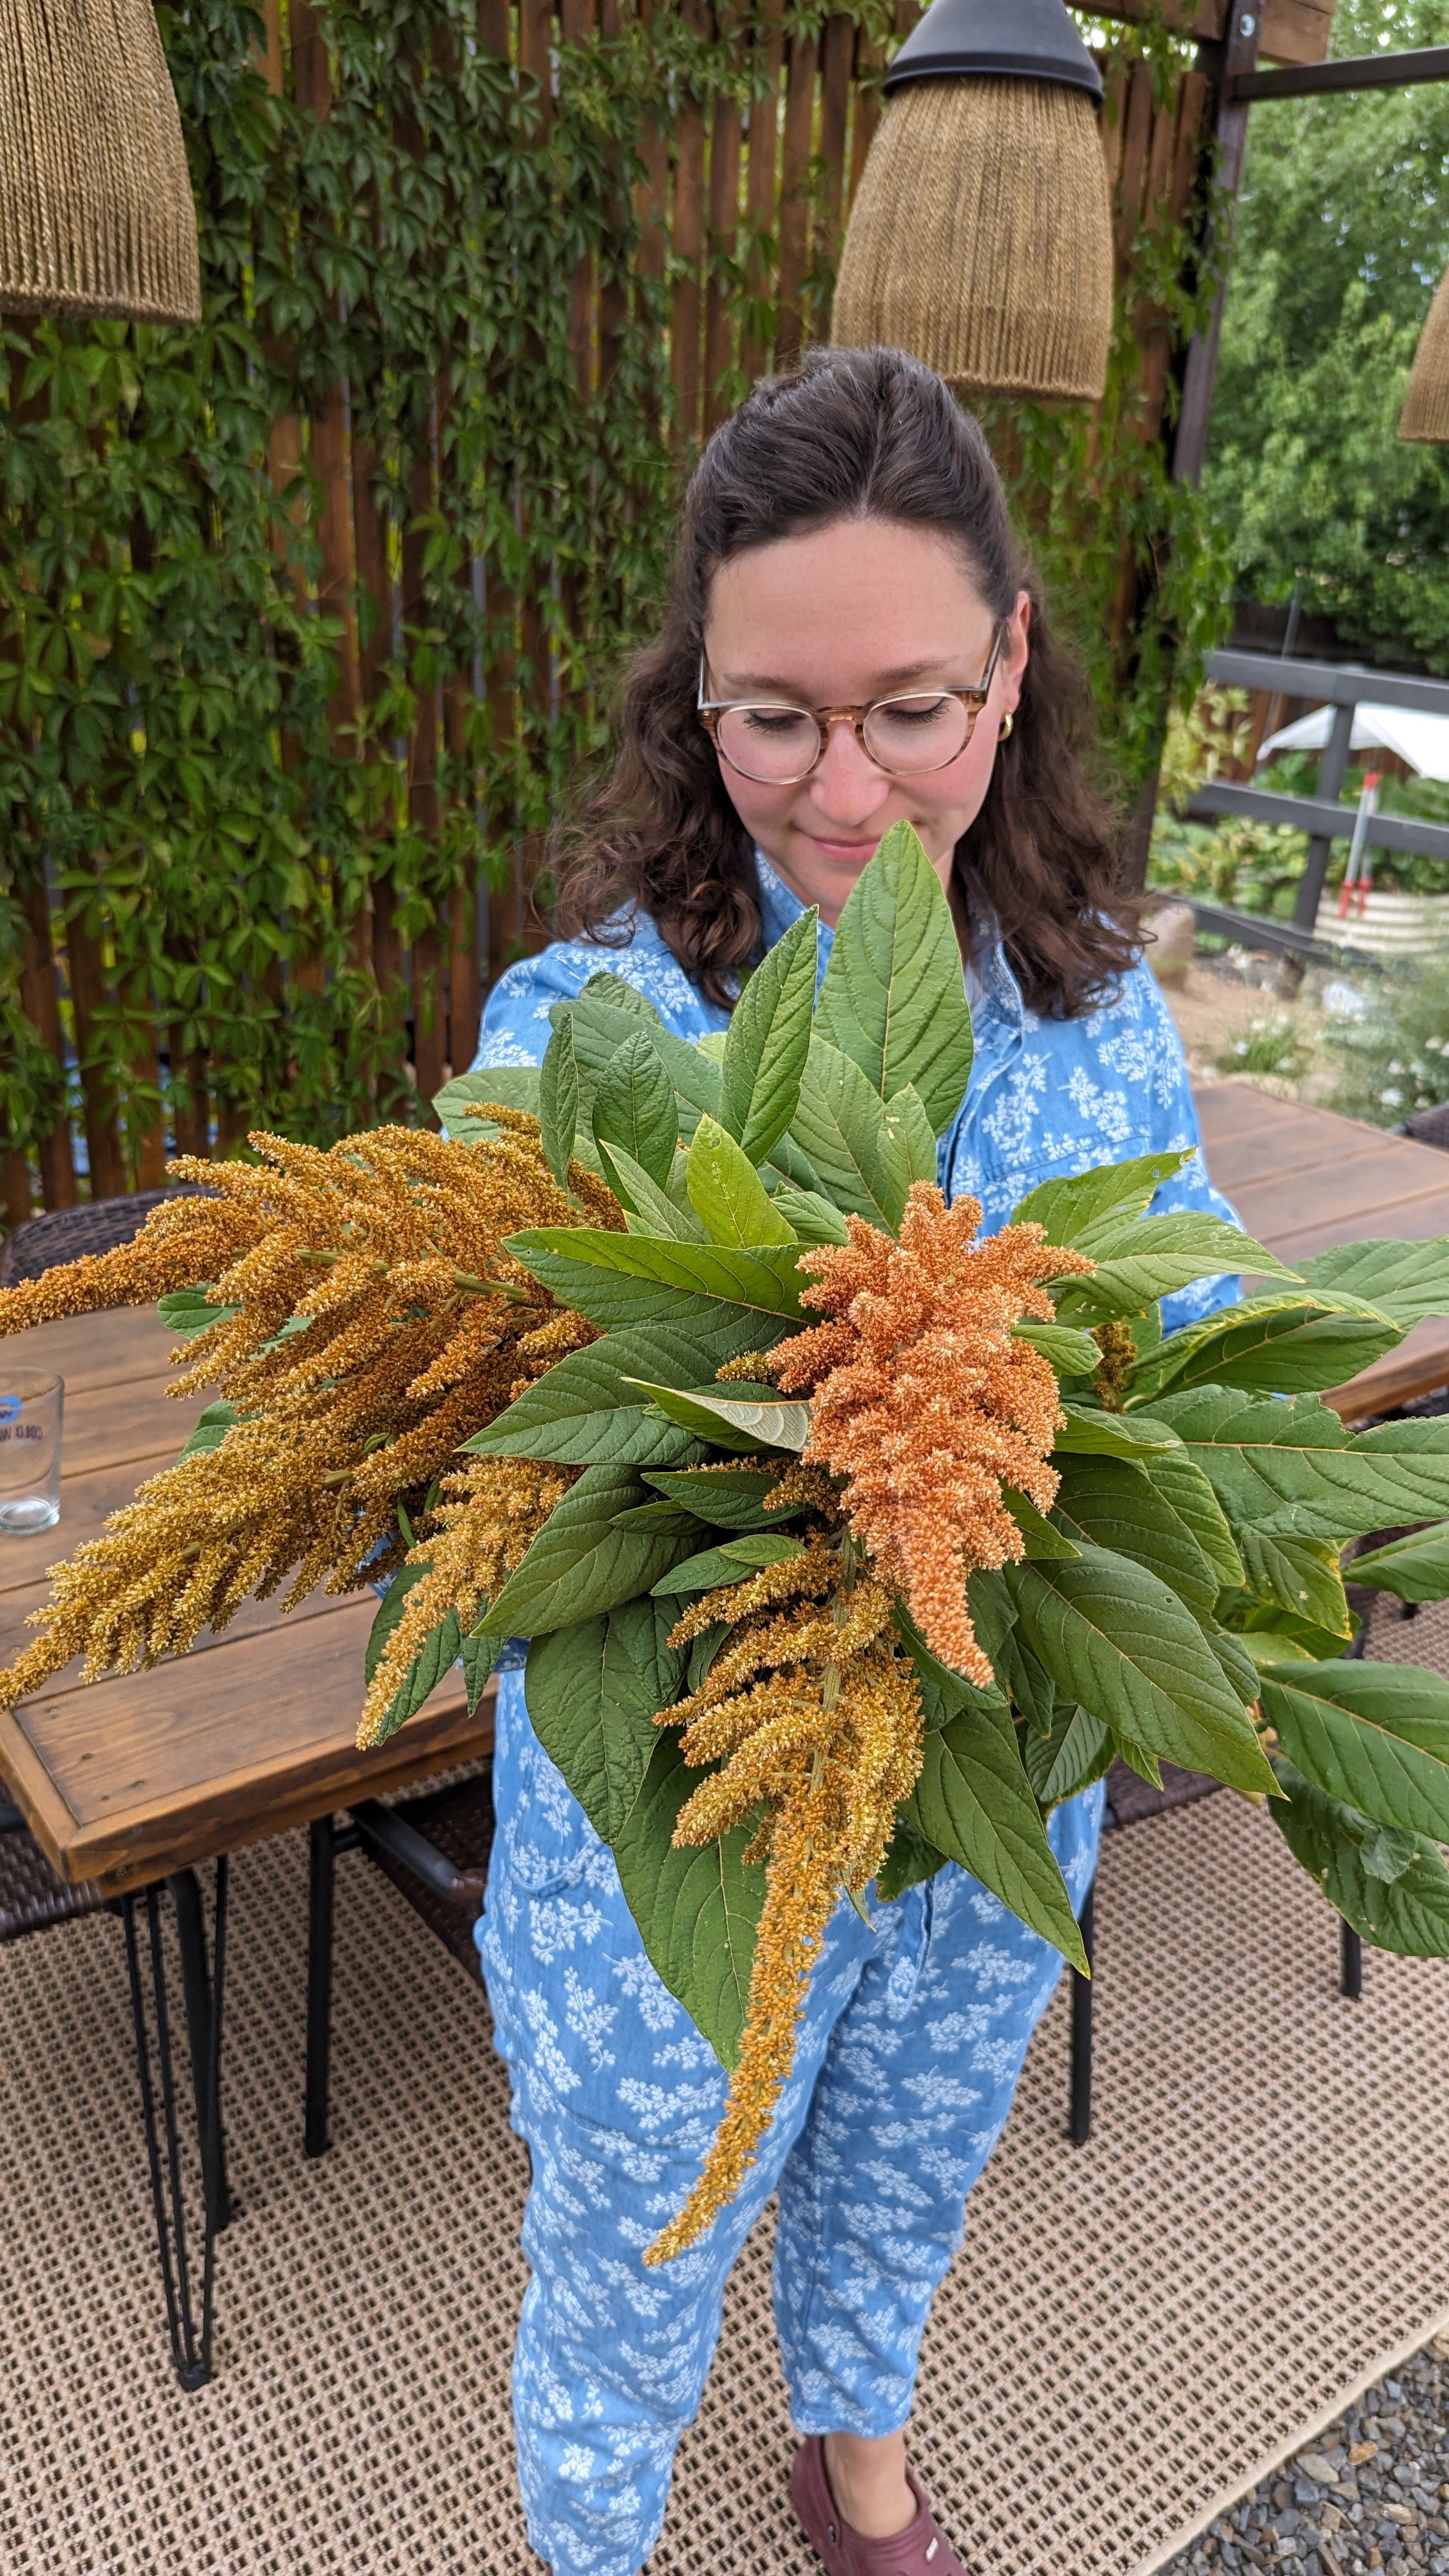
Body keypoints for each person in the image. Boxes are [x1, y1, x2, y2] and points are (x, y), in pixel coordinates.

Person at [468, 346, 1238, 2576]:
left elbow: (1181, 1379)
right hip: (686, 1834)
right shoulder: (585, 1035)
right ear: (688, 701)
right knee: (637, 2234)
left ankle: (855, 2459)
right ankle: (591, 2538)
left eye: (906, 705)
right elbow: (530, 1449)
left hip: (989, 1779)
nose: (839, 788)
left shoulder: (1101, 1022)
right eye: (771, 714)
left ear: (1006, 665)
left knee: (914, 2153)